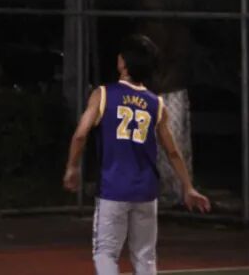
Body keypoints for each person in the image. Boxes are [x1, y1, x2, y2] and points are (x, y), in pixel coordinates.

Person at [63, 33, 210, 275]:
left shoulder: (103, 94)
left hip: (113, 189)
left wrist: (72, 166)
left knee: (106, 252)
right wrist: (188, 187)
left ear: (123, 62)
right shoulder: (156, 104)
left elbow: (80, 135)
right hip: (146, 192)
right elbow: (173, 151)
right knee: (145, 256)